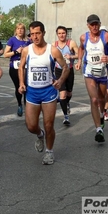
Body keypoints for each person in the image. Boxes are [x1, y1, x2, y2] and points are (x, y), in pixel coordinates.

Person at [18, 21, 69, 165]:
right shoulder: (27, 50)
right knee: (31, 126)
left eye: (38, 33)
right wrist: (21, 83)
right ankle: (40, 135)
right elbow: (21, 67)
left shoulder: (52, 50)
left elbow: (66, 68)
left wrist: (59, 81)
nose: (35, 37)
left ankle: (49, 152)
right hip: (32, 92)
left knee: (49, 124)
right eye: (32, 34)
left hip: (49, 92)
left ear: (44, 33)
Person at [75, 14, 108, 143]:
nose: (94, 26)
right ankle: (98, 130)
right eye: (92, 24)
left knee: (102, 98)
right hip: (89, 72)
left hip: (102, 73)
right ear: (88, 25)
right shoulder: (84, 37)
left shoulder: (105, 36)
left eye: (96, 24)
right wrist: (79, 60)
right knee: (94, 99)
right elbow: (81, 48)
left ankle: (102, 113)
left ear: (99, 24)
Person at [3, 23, 31, 117]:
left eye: (22, 29)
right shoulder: (12, 40)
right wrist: (16, 52)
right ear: (16, 30)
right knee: (19, 86)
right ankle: (19, 105)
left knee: (26, 87)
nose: (20, 30)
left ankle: (27, 108)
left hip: (26, 67)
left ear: (24, 30)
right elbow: (5, 54)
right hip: (14, 66)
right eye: (18, 28)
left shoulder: (28, 41)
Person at [52, 26, 79, 125]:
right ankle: (66, 117)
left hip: (69, 70)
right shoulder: (54, 45)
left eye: (63, 33)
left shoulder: (71, 43)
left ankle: (67, 103)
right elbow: (50, 58)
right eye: (59, 33)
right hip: (59, 71)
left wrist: (71, 56)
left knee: (69, 93)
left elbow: (79, 54)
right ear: (57, 34)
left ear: (66, 34)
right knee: (62, 94)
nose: (61, 35)